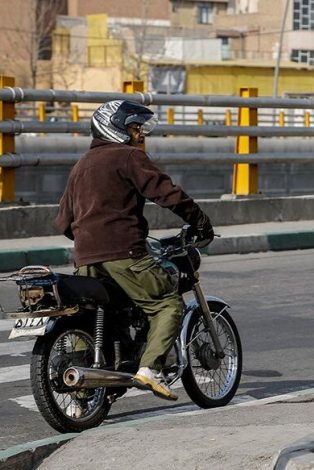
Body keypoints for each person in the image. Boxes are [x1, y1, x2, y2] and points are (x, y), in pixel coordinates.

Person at [55, 100, 214, 401]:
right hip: (125, 253)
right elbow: (168, 194)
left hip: (85, 257)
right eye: (133, 127)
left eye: (140, 128)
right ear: (113, 127)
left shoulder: (81, 166)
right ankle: (150, 369)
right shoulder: (127, 157)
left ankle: (81, 391)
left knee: (94, 315)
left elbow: (63, 221)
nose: (139, 134)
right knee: (167, 304)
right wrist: (201, 222)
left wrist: (89, 239)